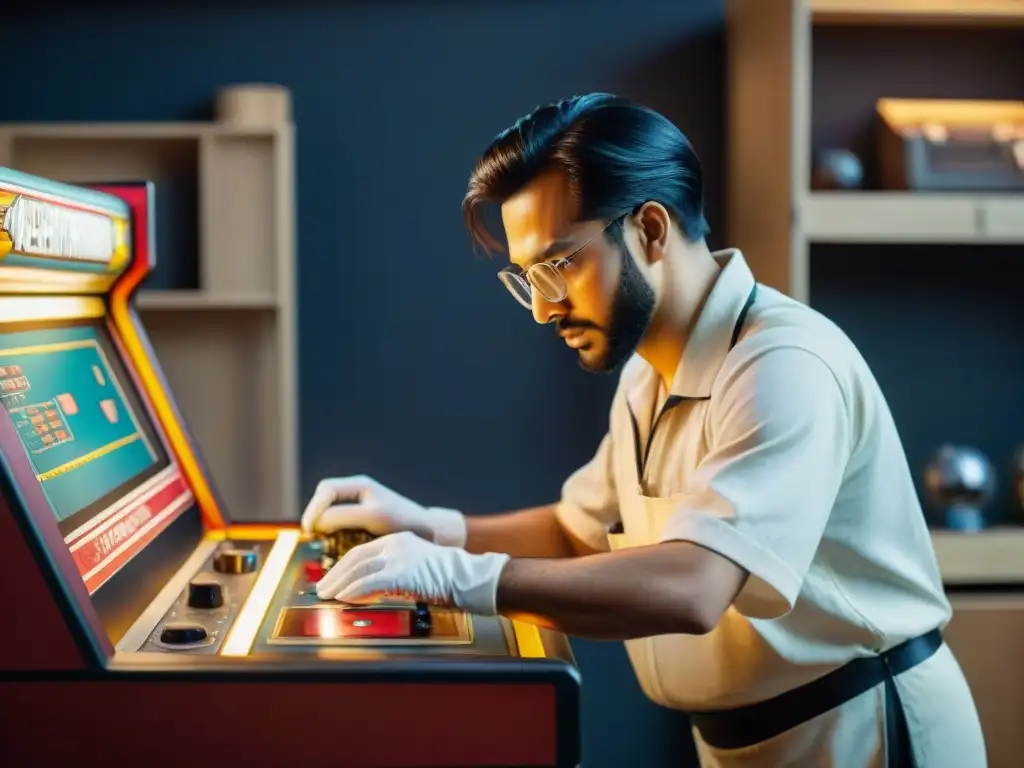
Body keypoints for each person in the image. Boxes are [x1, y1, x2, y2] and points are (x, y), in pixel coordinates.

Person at [302, 94, 986, 767]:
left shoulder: (783, 364)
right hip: (750, 740)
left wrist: (462, 578)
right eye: (525, 278)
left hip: (863, 733)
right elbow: (579, 533)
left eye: (559, 264)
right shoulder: (648, 374)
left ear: (651, 229)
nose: (542, 309)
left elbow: (694, 586)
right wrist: (427, 528)